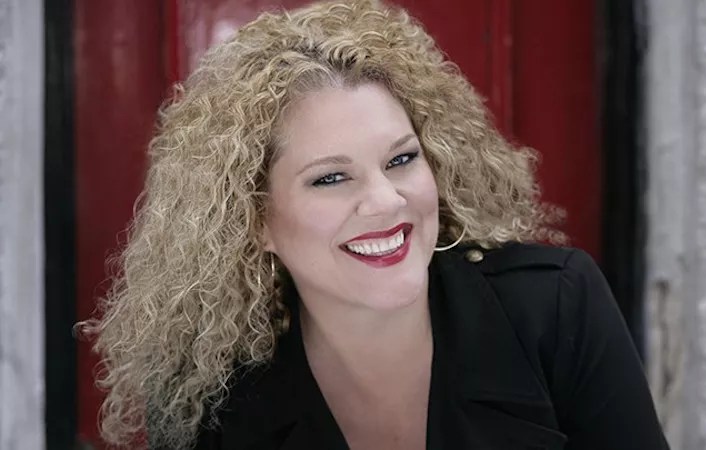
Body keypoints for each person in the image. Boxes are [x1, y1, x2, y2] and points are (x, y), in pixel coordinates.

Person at [84, 0, 670, 449]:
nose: (387, 201)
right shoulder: (208, 398)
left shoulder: (556, 306)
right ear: (254, 219)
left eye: (401, 159)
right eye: (331, 178)